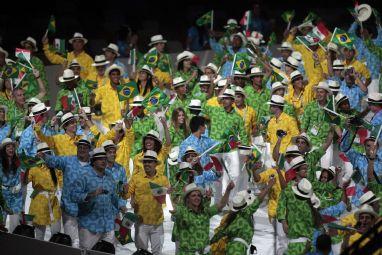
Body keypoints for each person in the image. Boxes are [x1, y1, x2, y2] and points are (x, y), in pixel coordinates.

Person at [41, 138, 93, 246]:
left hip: (86, 210)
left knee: (86, 243)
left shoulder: (93, 166)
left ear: (89, 150)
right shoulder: (68, 160)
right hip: (69, 208)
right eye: (80, 147)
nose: (82, 149)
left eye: (85, 147)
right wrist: (44, 156)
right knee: (70, 241)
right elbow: (55, 161)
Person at [71, 147, 120, 249]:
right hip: (89, 225)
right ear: (93, 161)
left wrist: (115, 213)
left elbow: (114, 198)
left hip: (108, 225)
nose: (103, 161)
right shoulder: (84, 175)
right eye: (100, 159)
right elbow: (73, 196)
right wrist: (90, 194)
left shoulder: (110, 177)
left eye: (105, 159)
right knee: (87, 253)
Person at [211, 180, 275, 255]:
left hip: (233, 248)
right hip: (237, 249)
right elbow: (258, 200)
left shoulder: (230, 218)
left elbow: (219, 234)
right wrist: (268, 186)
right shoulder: (244, 214)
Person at [125, 150, 170, 255]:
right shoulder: (136, 178)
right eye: (145, 162)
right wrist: (124, 191)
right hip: (141, 223)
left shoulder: (163, 179)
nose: (147, 164)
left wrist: (169, 194)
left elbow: (167, 199)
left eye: (149, 162)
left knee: (157, 252)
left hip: (157, 223)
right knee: (141, 253)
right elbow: (127, 195)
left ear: (155, 164)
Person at [174, 181, 235, 254]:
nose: (197, 197)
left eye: (199, 195)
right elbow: (173, 210)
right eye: (193, 195)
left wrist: (228, 190)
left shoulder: (205, 212)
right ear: (188, 199)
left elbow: (221, 204)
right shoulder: (182, 212)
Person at [277, 157, 321, 255]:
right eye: (304, 169)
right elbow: (281, 206)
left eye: (307, 168)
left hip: (309, 236)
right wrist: (284, 223)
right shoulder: (288, 188)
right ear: (296, 171)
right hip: (293, 234)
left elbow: (316, 206)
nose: (307, 171)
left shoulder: (309, 187)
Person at [28, 142, 62, 240]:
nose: (47, 156)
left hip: (54, 201)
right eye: (44, 154)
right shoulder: (34, 168)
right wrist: (25, 168)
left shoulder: (55, 167)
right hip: (39, 202)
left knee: (56, 233)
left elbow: (62, 181)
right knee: (39, 235)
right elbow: (25, 181)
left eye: (48, 154)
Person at [0, 138, 24, 233]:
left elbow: (19, 175)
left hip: (16, 195)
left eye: (12, 146)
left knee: (15, 223)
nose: (11, 149)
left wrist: (18, 185)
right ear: (4, 149)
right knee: (1, 223)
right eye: (8, 146)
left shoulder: (17, 161)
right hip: (3, 195)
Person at [19, 36, 49, 101]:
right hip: (24, 97)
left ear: (33, 49)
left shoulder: (38, 61)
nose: (26, 49)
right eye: (25, 48)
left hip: (39, 96)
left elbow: (43, 80)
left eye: (29, 47)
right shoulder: (20, 61)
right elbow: (19, 81)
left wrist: (46, 98)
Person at [102, 139, 128, 211]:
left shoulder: (121, 169)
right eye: (110, 152)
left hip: (117, 208)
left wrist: (121, 205)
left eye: (114, 152)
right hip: (101, 208)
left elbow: (123, 190)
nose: (113, 154)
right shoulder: (99, 169)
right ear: (104, 154)